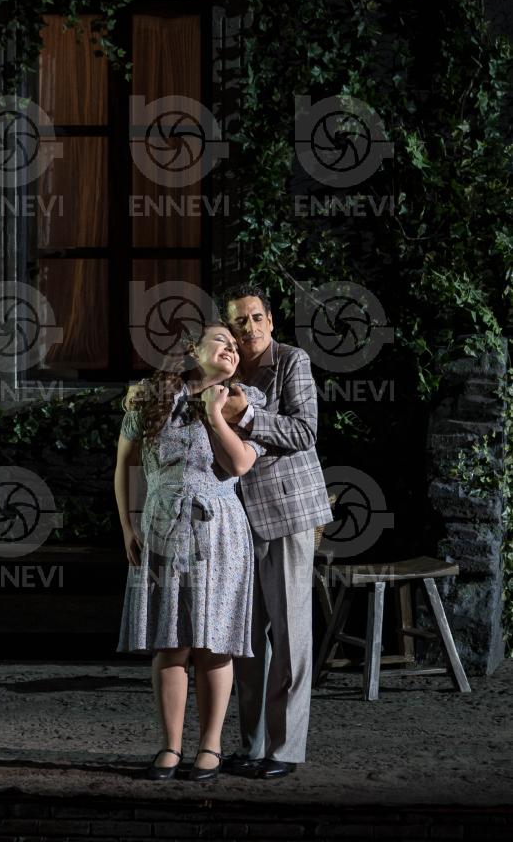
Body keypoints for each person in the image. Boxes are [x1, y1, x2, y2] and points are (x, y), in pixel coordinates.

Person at [115, 322, 267, 782]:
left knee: (214, 643)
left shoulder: (244, 401)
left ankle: (211, 746)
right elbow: (124, 465)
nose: (232, 349)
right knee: (170, 641)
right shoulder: (151, 398)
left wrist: (214, 413)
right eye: (221, 340)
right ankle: (170, 746)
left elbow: (239, 463)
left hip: (219, 530)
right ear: (192, 349)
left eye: (236, 346)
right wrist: (127, 526)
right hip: (162, 525)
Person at [218, 283, 334, 780]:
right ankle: (253, 745)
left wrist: (245, 415)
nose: (248, 328)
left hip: (286, 514)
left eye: (255, 317)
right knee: (246, 641)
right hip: (237, 521)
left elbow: (304, 431)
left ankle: (284, 750)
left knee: (290, 638)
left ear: (270, 320)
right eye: (239, 321)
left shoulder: (291, 361)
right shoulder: (225, 367)